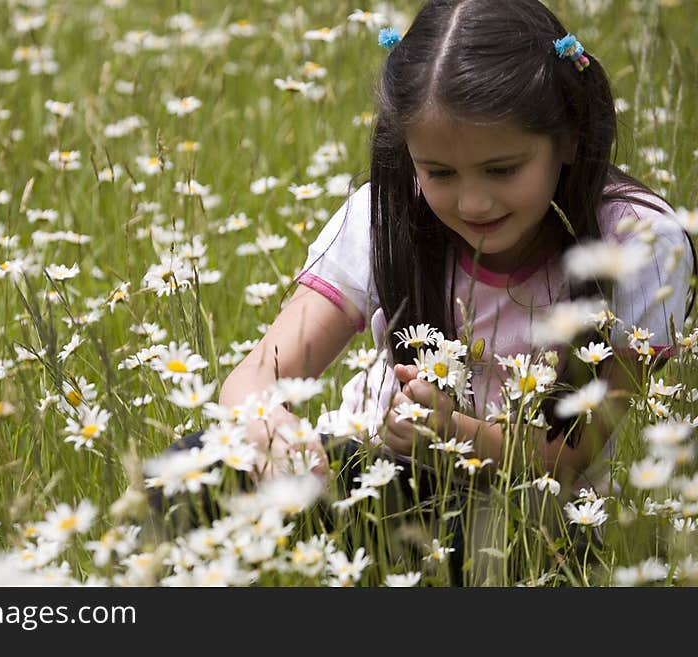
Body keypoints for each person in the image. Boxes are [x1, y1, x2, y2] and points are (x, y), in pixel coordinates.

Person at [149, 0, 696, 583]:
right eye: (439, 173)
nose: (473, 203)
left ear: (568, 137)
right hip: (379, 475)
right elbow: (256, 376)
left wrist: (452, 433)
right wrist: (272, 429)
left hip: (534, 516)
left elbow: (575, 455)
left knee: (469, 536)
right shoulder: (386, 216)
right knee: (188, 470)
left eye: (502, 169)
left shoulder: (636, 243)